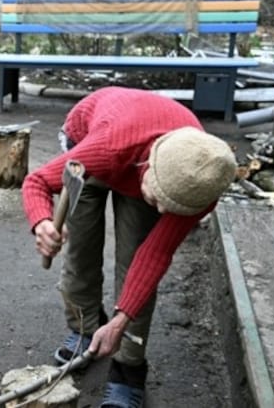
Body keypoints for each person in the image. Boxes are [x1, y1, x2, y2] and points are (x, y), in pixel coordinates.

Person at [21, 87, 236, 407]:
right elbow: (36, 181)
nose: (164, 212)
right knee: (81, 250)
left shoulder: (200, 183)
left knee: (135, 256)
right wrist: (43, 222)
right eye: (160, 198)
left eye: (171, 205)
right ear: (148, 166)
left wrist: (121, 322)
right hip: (96, 147)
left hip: (150, 159)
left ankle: (128, 367)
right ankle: (84, 327)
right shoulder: (106, 148)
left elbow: (154, 255)